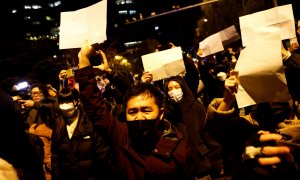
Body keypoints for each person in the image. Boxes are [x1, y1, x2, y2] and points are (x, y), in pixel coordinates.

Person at [75, 41, 212, 179]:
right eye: (132, 112)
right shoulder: (121, 135)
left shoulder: (179, 148)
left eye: (146, 110)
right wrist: (84, 60)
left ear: (161, 113)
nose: (139, 117)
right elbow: (95, 106)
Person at [163, 75, 223, 178]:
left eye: (177, 87)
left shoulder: (196, 108)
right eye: (170, 88)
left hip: (202, 164)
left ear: (183, 88)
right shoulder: (166, 114)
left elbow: (208, 136)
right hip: (181, 169)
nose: (174, 91)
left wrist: (216, 161)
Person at [51, 87, 116, 180]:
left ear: (76, 102)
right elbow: (55, 156)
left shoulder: (89, 123)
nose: (64, 105)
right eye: (61, 102)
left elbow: (102, 156)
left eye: (68, 101)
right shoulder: (58, 125)